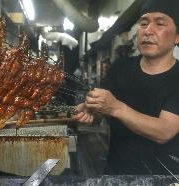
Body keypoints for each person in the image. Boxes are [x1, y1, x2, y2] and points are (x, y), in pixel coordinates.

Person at [73, 0, 179, 175]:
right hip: (117, 173)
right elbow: (102, 116)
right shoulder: (120, 67)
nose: (148, 30)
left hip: (164, 177)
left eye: (159, 23)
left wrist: (115, 107)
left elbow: (164, 131)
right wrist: (93, 111)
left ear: (177, 36)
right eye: (143, 23)